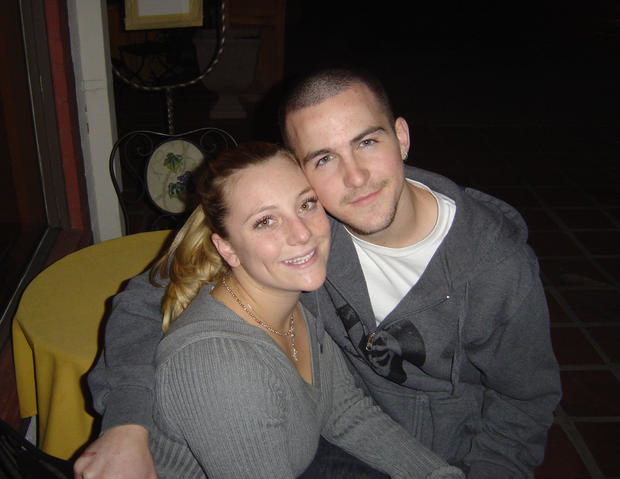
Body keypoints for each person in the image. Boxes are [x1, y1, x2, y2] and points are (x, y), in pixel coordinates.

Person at [75, 67, 561, 479]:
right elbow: (148, 303)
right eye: (324, 158)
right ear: (302, 170)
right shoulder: (304, 234)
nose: (355, 177)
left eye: (367, 142)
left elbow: (525, 405)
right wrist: (127, 424)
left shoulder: (495, 266)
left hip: (441, 453)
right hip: (318, 440)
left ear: (401, 137)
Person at [100, 141, 465, 478]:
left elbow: (344, 411)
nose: (302, 233)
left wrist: (437, 474)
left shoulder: (293, 303)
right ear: (227, 249)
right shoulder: (221, 366)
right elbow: (140, 306)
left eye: (306, 204)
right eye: (265, 221)